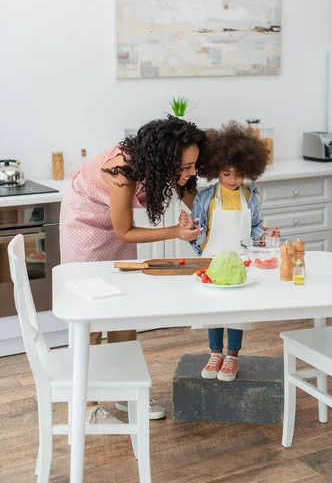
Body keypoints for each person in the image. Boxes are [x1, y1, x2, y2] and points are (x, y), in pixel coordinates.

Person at [60, 116, 207, 423]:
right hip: (85, 224)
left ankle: (125, 391)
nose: (191, 173)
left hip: (115, 223)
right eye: (185, 167)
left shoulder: (165, 165)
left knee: (121, 307)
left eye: (194, 165)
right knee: (91, 315)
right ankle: (86, 407)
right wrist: (175, 232)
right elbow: (125, 231)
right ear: (163, 159)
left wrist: (217, 220)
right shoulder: (121, 170)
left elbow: (194, 199)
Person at [189, 122, 280, 382]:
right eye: (226, 174)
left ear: (248, 172)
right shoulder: (204, 198)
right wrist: (203, 249)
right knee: (214, 310)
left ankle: (232, 356)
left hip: (241, 261)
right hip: (213, 259)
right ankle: (215, 353)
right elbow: (198, 228)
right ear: (216, 169)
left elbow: (254, 227)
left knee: (238, 310)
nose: (232, 180)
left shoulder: (251, 196)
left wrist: (265, 236)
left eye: (238, 175)